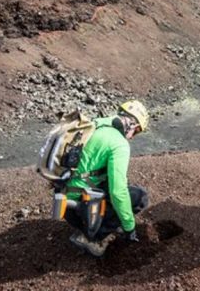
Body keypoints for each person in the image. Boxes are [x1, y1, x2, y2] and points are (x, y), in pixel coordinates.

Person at [64, 100, 151, 257]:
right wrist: (130, 228)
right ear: (132, 124)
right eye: (136, 131)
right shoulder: (118, 143)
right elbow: (118, 192)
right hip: (81, 205)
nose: (132, 137)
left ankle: (89, 225)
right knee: (139, 197)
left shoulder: (96, 124)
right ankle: (91, 237)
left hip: (64, 201)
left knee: (117, 186)